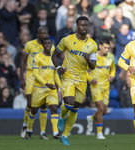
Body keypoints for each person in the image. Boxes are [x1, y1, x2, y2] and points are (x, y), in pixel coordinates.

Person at [52, 16, 97, 145]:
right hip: (68, 75)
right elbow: (54, 55)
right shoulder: (67, 40)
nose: (84, 27)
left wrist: (89, 60)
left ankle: (64, 136)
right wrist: (59, 67)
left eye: (86, 25)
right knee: (69, 103)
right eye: (82, 25)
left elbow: (93, 66)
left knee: (75, 108)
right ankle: (61, 116)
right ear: (76, 26)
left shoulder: (93, 44)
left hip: (82, 78)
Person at [20, 26, 54, 139]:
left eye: (45, 33)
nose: (44, 35)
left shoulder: (50, 46)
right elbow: (22, 61)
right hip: (31, 75)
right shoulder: (30, 44)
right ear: (37, 34)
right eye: (41, 33)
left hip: (44, 76)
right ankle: (26, 125)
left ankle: (42, 133)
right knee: (30, 104)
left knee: (43, 105)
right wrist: (21, 78)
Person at [26, 37, 61, 139]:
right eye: (45, 44)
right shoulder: (37, 57)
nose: (47, 46)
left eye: (49, 44)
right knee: (34, 109)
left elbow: (55, 73)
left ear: (51, 45)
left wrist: (60, 86)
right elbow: (35, 74)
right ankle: (29, 129)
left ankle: (55, 133)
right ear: (42, 45)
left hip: (51, 88)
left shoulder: (54, 58)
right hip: (40, 88)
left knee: (54, 108)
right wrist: (46, 84)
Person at [86, 39, 116, 139]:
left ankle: (91, 118)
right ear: (100, 46)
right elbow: (85, 71)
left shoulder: (111, 56)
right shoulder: (93, 56)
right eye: (105, 47)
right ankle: (99, 133)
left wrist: (112, 76)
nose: (107, 50)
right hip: (96, 86)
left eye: (108, 48)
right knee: (100, 107)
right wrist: (90, 79)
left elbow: (112, 69)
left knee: (104, 111)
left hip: (106, 86)